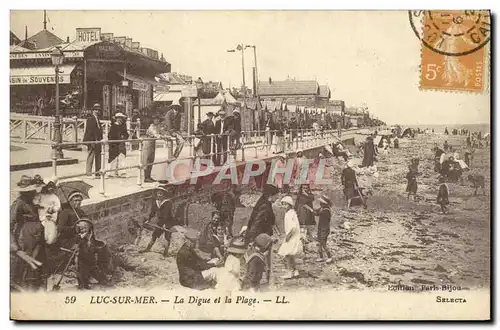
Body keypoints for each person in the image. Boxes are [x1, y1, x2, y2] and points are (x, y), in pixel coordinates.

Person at [245, 184, 280, 284]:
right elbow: (256, 223)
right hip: (260, 238)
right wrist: (251, 240)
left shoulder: (264, 202)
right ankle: (264, 282)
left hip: (261, 236)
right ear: (271, 195)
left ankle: (262, 280)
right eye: (276, 195)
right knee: (262, 260)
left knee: (261, 260)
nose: (277, 197)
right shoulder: (265, 206)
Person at [139, 185, 179, 257]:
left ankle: (165, 252)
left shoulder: (168, 202)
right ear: (156, 194)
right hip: (160, 221)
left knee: (167, 237)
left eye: (161, 193)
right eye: (158, 193)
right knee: (154, 235)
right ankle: (148, 248)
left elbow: (166, 214)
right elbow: (153, 211)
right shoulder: (155, 202)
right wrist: (149, 219)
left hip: (168, 221)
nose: (159, 195)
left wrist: (165, 225)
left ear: (164, 194)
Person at [74, 219, 110, 290]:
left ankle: (99, 278)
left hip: (92, 260)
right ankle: (83, 284)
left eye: (84, 228)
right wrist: (81, 237)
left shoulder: (91, 236)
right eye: (81, 228)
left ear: (89, 228)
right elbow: (76, 242)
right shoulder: (79, 237)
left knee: (102, 279)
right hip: (82, 259)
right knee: (82, 273)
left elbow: (95, 245)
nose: (82, 230)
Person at [278, 196, 302, 279]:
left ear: (289, 205)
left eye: (285, 204)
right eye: (283, 204)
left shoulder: (289, 214)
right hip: (293, 235)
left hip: (291, 236)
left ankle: (289, 272)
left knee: (287, 254)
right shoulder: (291, 212)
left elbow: (293, 227)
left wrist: (288, 236)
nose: (284, 206)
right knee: (290, 254)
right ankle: (295, 271)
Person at [142, 114, 167, 183]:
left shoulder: (158, 126)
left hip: (153, 143)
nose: (157, 120)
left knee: (151, 159)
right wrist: (161, 136)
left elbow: (162, 132)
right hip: (147, 142)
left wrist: (165, 135)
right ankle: (146, 177)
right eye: (155, 119)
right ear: (153, 120)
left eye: (158, 119)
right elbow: (156, 134)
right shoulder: (151, 127)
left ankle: (149, 176)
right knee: (146, 159)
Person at [83, 104, 103, 178]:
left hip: (98, 141)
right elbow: (90, 131)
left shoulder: (98, 119)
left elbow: (99, 130)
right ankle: (88, 173)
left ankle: (97, 173)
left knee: (98, 157)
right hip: (92, 141)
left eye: (98, 110)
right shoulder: (90, 119)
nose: (97, 111)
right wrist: (95, 140)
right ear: (93, 111)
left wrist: (100, 139)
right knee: (91, 156)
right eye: (96, 110)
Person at [107, 112, 129, 178]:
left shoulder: (123, 126)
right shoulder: (113, 126)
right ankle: (112, 173)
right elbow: (110, 136)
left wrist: (124, 137)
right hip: (114, 145)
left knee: (122, 158)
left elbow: (126, 135)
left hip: (121, 145)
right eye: (118, 118)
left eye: (121, 118)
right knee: (113, 159)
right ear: (116, 119)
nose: (120, 120)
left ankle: (122, 173)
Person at [314, 195, 333, 263]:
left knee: (323, 243)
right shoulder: (323, 208)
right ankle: (321, 256)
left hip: (324, 229)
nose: (320, 204)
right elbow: (317, 212)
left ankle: (329, 256)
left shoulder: (326, 210)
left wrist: (309, 209)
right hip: (321, 228)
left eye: (321, 203)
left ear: (324, 203)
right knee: (320, 243)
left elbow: (316, 213)